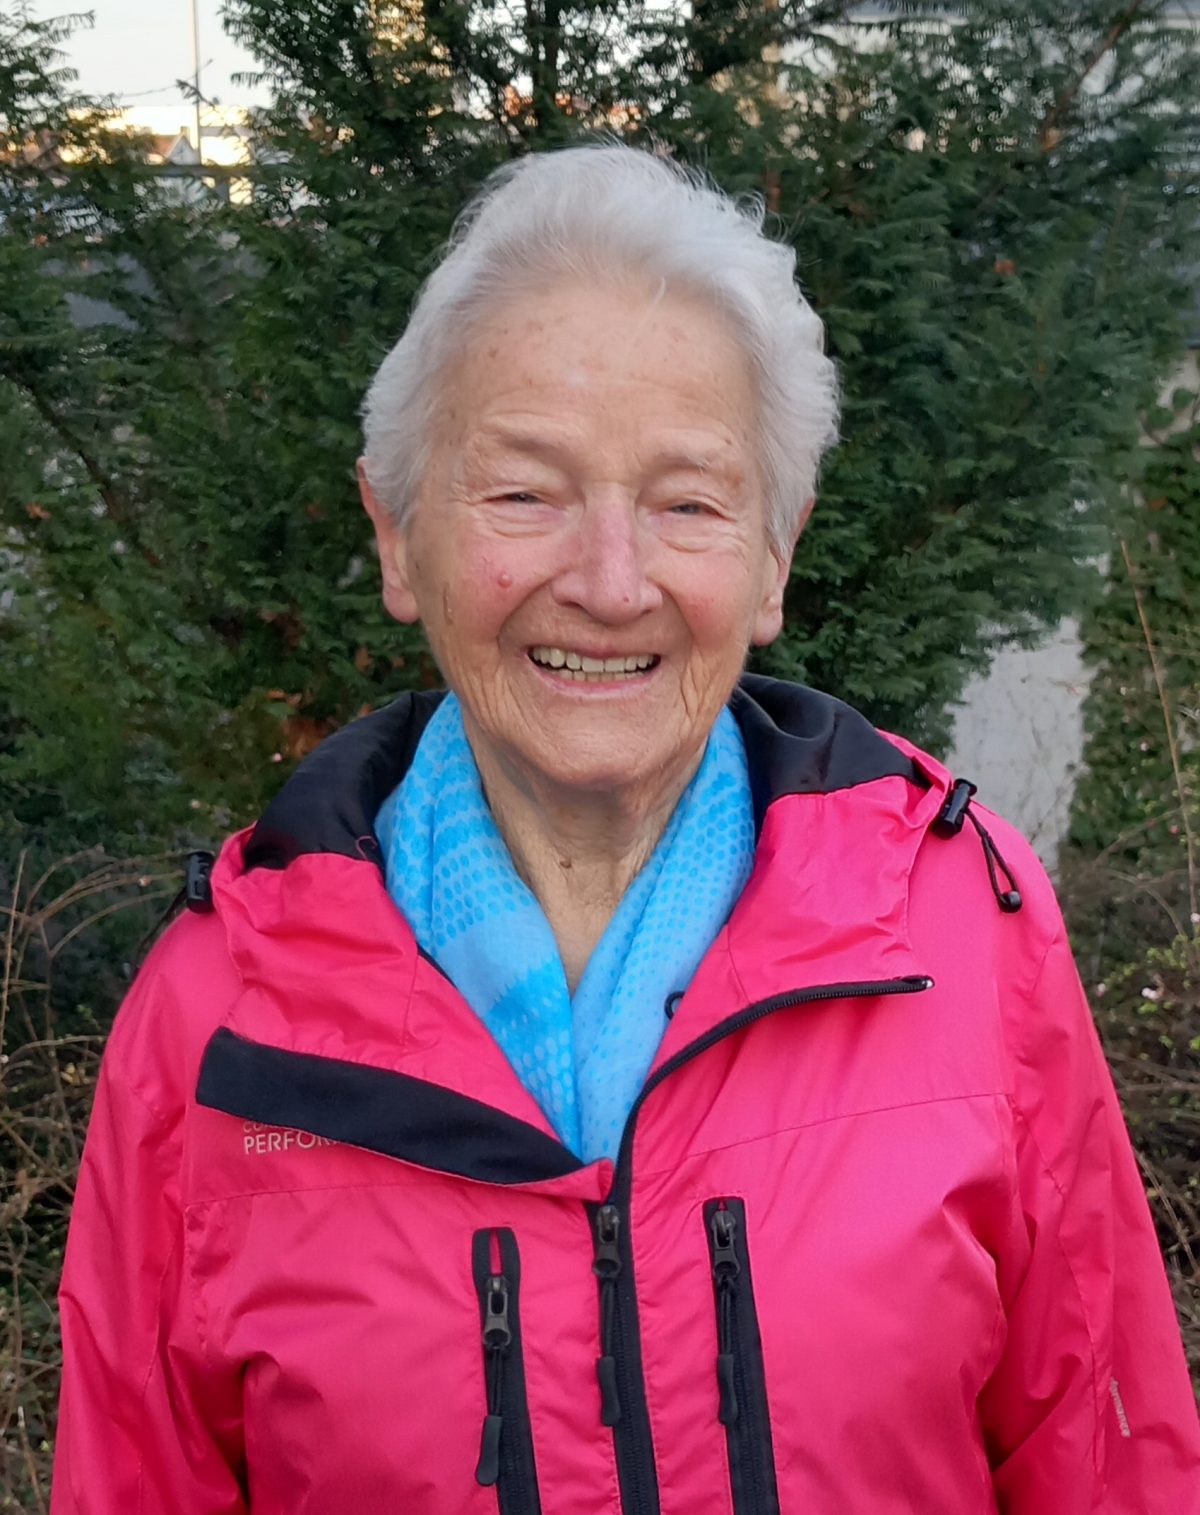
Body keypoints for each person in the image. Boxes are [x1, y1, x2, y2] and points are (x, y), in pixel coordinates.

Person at [52, 145, 1198, 1515]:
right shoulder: (219, 1019)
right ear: (397, 535)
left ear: (773, 556)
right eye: (525, 493)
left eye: (687, 504)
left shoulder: (966, 931)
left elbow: (1109, 1461)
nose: (608, 583)